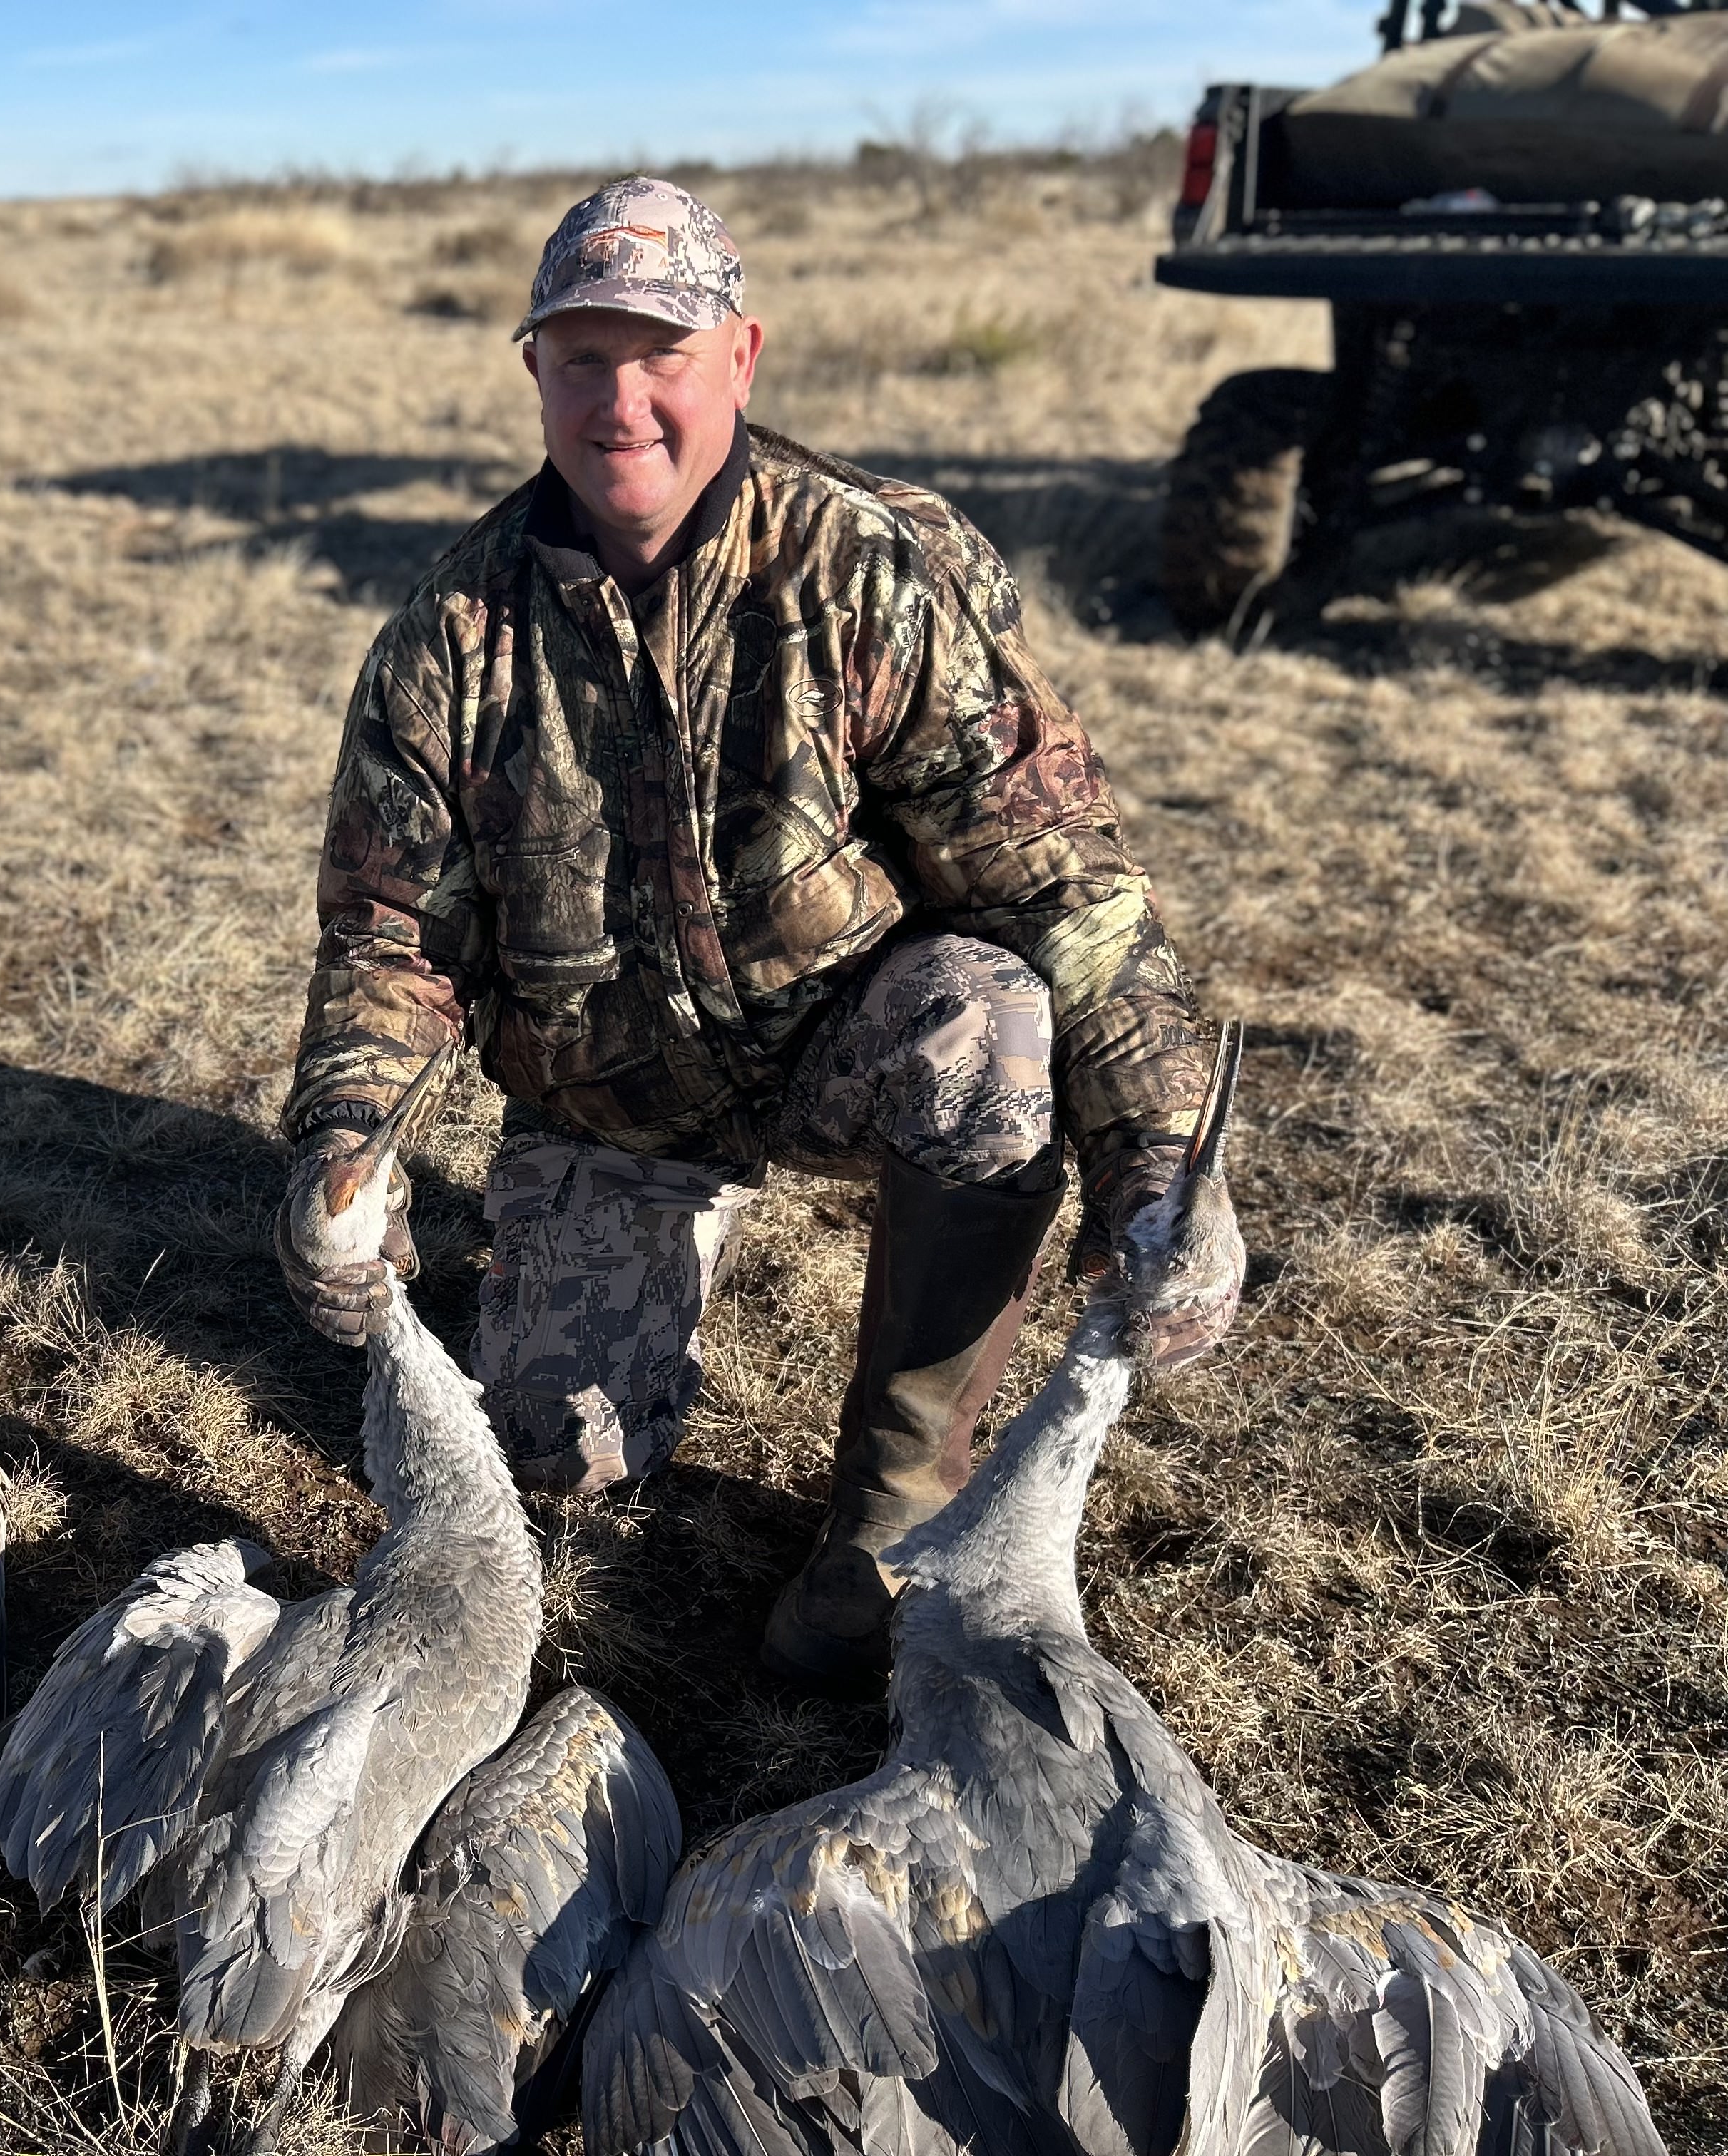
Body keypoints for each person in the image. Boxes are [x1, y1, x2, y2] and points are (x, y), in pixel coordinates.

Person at [272, 178, 1244, 1696]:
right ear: (534, 372)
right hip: (610, 1100)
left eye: (662, 352)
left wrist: (1166, 1162)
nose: (622, 399)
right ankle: (661, 1231)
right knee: (559, 1464)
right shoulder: (452, 633)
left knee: (989, 1022)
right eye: (582, 357)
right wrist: (344, 1141)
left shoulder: (871, 570)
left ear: (743, 356)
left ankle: (891, 1519)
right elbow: (391, 940)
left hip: (838, 1052)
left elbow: (1063, 886)